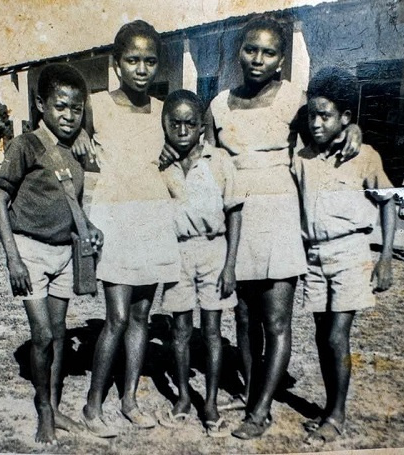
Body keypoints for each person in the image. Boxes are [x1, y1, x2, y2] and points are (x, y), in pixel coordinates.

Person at [160, 16, 362, 439]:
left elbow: (330, 127)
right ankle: (252, 395)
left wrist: (356, 128)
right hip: (235, 220)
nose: (258, 59)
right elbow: (202, 158)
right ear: (239, 51)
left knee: (276, 322)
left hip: (279, 216)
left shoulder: (295, 99)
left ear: (281, 59)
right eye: (250, 49)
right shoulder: (216, 105)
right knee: (244, 319)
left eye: (269, 52)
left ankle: (262, 411)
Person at [0, 63, 102, 445]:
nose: (69, 116)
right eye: (60, 107)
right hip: (30, 253)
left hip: (63, 255)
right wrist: (13, 259)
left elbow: (71, 205)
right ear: (41, 105)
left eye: (76, 109)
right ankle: (43, 411)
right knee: (40, 335)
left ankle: (54, 408)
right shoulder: (26, 145)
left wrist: (89, 228)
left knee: (57, 334)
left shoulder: (76, 151)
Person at [80, 20, 180, 437]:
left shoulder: (164, 111)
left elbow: (198, 144)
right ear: (115, 63)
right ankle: (91, 405)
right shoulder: (95, 104)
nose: (141, 69)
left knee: (141, 315)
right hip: (114, 222)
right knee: (117, 318)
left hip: (154, 220)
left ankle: (130, 401)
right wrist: (79, 138)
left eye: (150, 61)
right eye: (132, 60)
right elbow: (56, 130)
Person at [291, 66, 396, 447]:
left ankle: (336, 416)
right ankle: (329, 407)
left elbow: (389, 203)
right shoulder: (301, 157)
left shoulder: (364, 156)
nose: (316, 123)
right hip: (314, 257)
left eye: (326, 116)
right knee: (322, 336)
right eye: (312, 115)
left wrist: (385, 258)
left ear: (346, 119)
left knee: (337, 336)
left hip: (351, 252)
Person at [157, 90, 243, 437]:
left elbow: (234, 212)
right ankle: (182, 398)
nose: (182, 130)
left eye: (189, 123)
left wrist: (231, 265)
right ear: (164, 125)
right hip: (177, 252)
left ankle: (209, 402)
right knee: (178, 331)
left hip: (214, 251)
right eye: (174, 123)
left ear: (201, 126)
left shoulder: (220, 160)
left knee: (211, 332)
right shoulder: (160, 164)